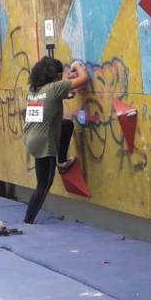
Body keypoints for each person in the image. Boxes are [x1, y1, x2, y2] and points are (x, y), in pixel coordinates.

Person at [23, 58, 88, 224]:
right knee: (45, 183)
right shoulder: (54, 88)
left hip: (31, 137)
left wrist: (66, 90)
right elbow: (83, 79)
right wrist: (77, 66)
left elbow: (51, 100)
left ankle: (62, 161)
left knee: (66, 125)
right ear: (56, 75)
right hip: (44, 141)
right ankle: (28, 221)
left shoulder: (34, 90)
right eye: (60, 76)